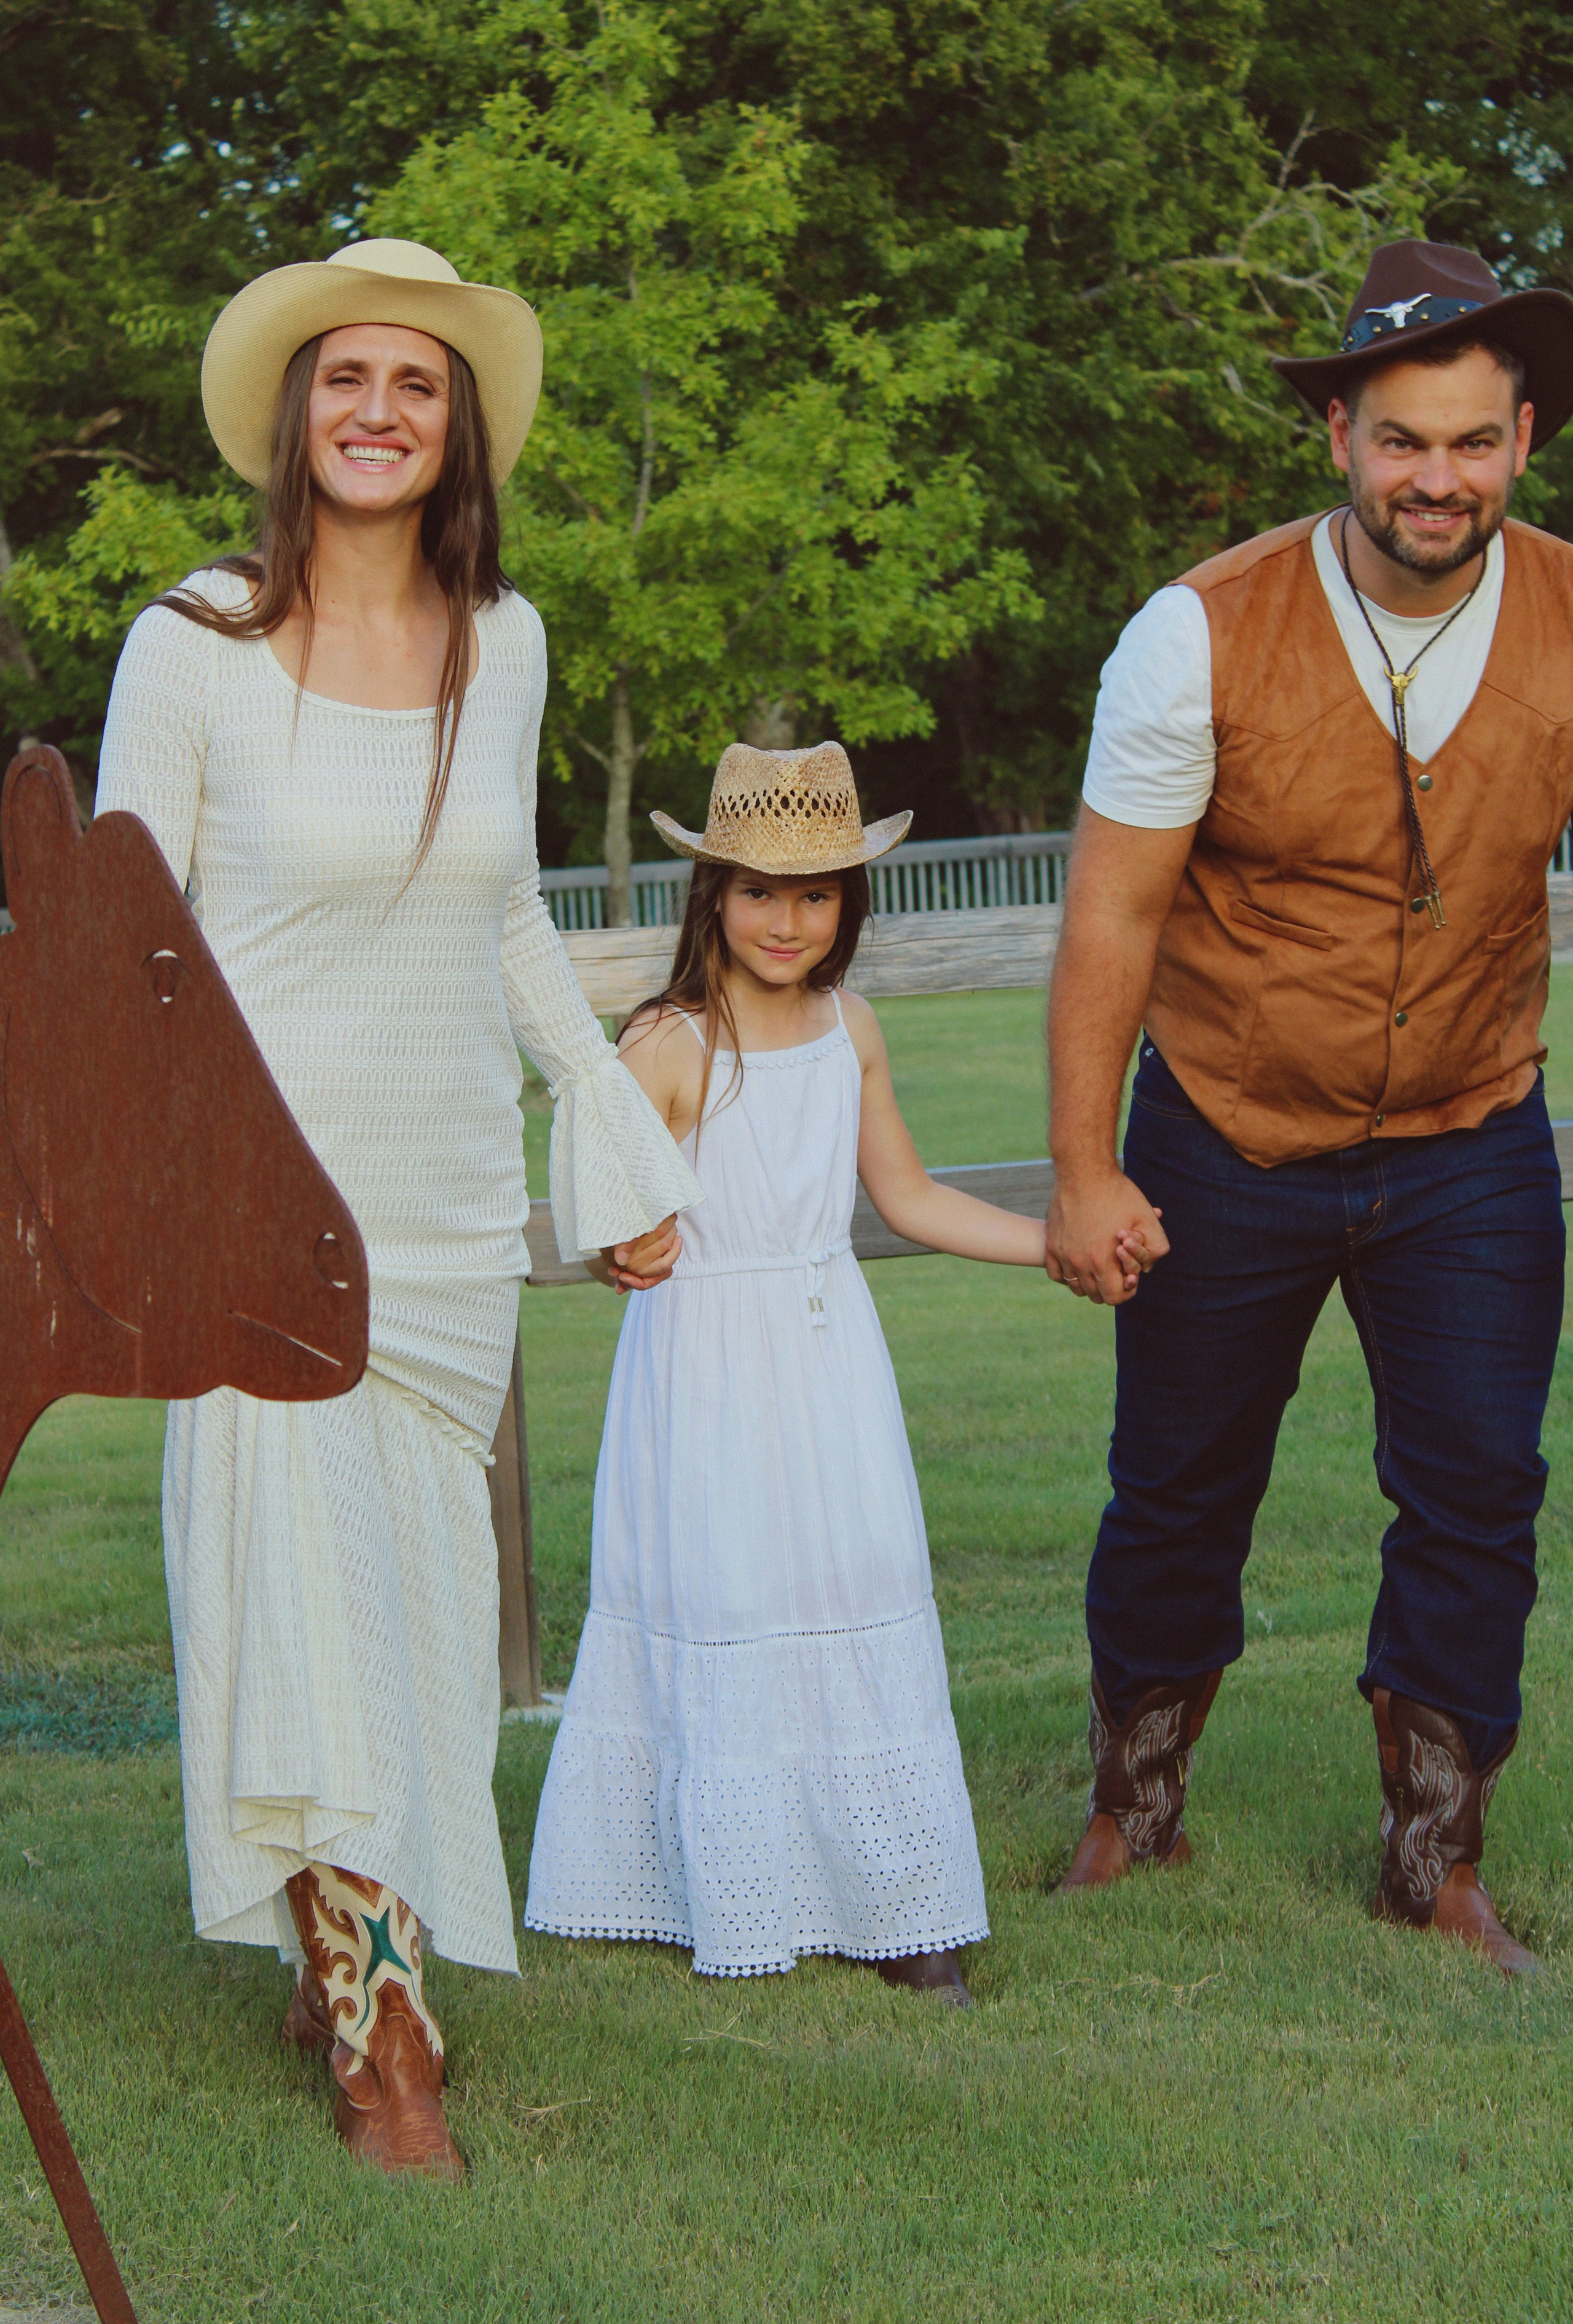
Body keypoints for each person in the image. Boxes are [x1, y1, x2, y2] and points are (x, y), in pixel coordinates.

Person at [95, 237, 702, 2174]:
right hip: (257, 1219)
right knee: (300, 1604)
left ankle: (339, 1931)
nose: (378, 410)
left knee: (423, 1618)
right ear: (298, 415)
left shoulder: (499, 644)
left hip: (443, 1220)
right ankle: (384, 2039)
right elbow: (126, 951)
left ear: (458, 434)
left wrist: (601, 1117)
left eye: (417, 384)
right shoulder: (187, 642)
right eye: (346, 377)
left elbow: (508, 911)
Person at [1045, 239, 1573, 1976]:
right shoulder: (1194, 634)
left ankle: (1435, 1855)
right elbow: (1114, 914)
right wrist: (1080, 1170)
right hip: (1228, 1121)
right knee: (1182, 1484)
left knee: (1482, 1487)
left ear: (1523, 443)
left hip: (1472, 1134)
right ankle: (1137, 1798)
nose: (1440, 479)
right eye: (1404, 441)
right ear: (1339, 433)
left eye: (1475, 444)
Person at [524, 742, 1045, 2001]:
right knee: (729, 1589)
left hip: (826, 1359)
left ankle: (902, 1902)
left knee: (851, 1576)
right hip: (704, 1364)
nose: (785, 920)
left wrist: (1055, 1246)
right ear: (711, 894)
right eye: (757, 891)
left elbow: (908, 1197)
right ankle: (726, 1886)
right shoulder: (668, 1041)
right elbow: (597, 1206)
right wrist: (617, 1255)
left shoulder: (848, 1028)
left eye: (814, 895)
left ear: (847, 906)